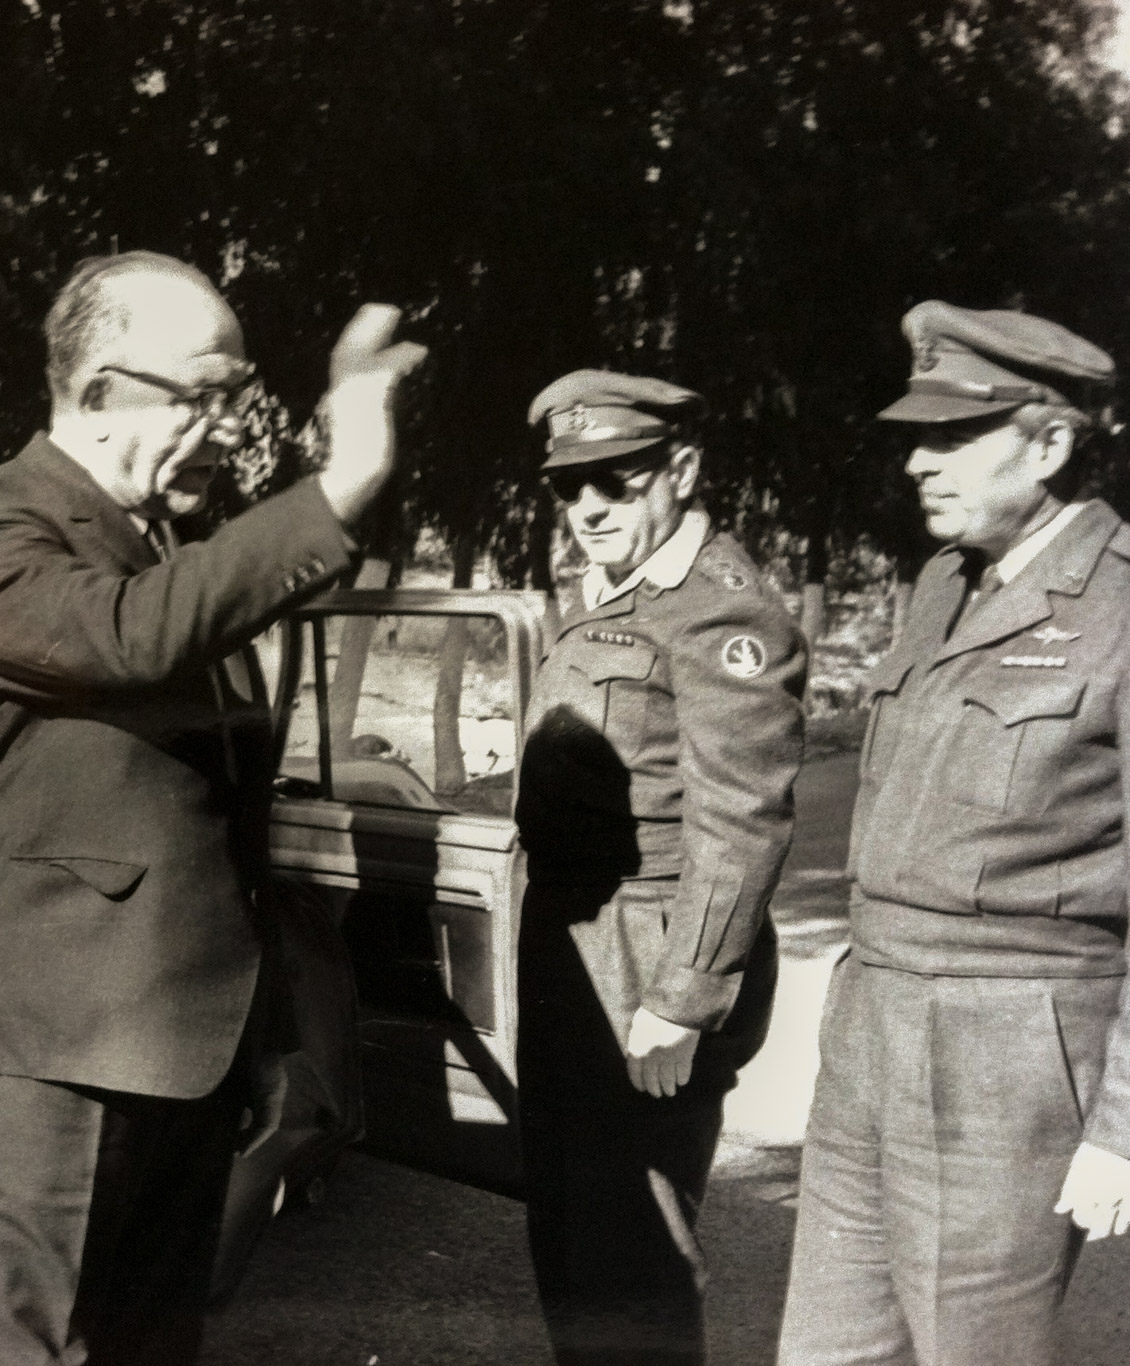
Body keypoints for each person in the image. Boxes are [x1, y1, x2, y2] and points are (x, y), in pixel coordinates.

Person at [0, 249, 426, 1366]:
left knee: (155, 1346)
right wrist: (338, 484)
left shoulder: (169, 549)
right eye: (200, 393)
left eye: (234, 398)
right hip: (55, 1057)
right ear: (96, 389)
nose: (224, 427)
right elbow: (130, 633)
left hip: (183, 1047)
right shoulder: (16, 528)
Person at [777, 301, 1130, 1366]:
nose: (918, 463)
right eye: (914, 437)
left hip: (1006, 1046)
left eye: (952, 435)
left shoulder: (1120, 608)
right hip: (870, 1020)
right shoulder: (943, 585)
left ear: (1052, 440)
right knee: (827, 1351)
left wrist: (1119, 1123)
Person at [516, 370, 807, 1364]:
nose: (588, 506)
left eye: (615, 479)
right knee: (566, 1232)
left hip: (651, 954)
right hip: (576, 949)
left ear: (679, 470)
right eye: (569, 486)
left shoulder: (717, 611)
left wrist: (682, 997)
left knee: (634, 1250)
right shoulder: (615, 588)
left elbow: (741, 817)